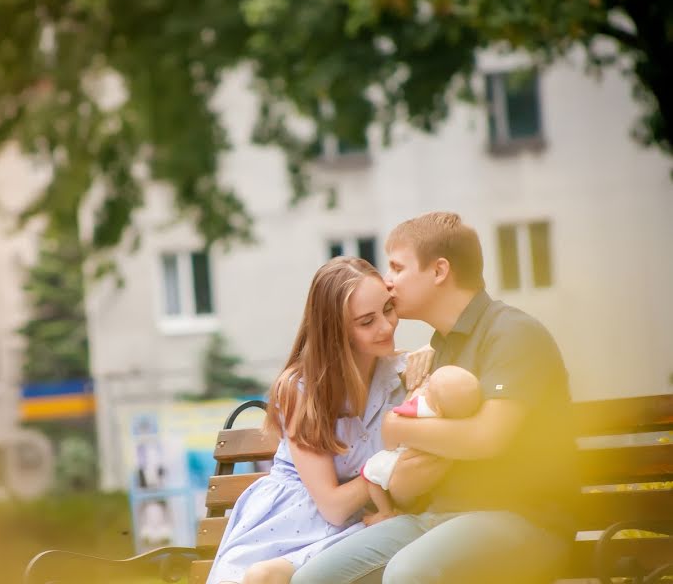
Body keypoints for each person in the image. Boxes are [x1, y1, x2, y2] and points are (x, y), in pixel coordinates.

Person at [292, 212, 576, 584]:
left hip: (523, 519)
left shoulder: (513, 333)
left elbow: (486, 438)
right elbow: (412, 467)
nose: (388, 283)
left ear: (439, 271)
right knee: (312, 580)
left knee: (409, 573)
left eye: (397, 268)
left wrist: (397, 425)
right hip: (436, 517)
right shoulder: (437, 350)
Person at [207, 257, 408, 584]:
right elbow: (332, 506)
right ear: (337, 331)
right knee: (260, 577)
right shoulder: (301, 388)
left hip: (361, 524)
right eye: (367, 321)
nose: (386, 327)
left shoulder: (403, 376)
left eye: (388, 309)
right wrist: (386, 468)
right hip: (293, 522)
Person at [362, 365, 481, 494]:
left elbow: (393, 421)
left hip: (400, 459)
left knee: (369, 472)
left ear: (438, 408)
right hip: (430, 469)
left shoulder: (421, 407)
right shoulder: (453, 416)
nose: (426, 388)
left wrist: (416, 392)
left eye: (429, 389)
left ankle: (384, 512)